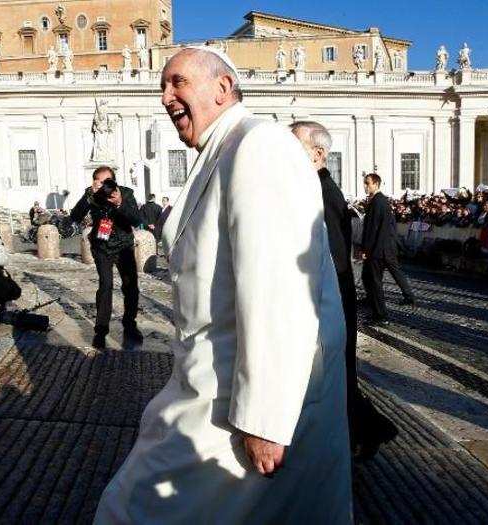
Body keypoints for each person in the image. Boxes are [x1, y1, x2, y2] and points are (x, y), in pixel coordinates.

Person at [94, 47, 351, 523]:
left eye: (177, 82)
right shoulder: (223, 149)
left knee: (131, 511)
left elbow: (279, 287)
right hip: (209, 382)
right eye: (162, 86)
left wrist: (265, 419)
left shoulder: (260, 146)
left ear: (222, 87)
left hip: (237, 401)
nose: (165, 96)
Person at [291, 121, 397, 459]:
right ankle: (369, 430)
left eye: (295, 147)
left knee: (337, 377)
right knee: (337, 377)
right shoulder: (312, 188)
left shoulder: (323, 194)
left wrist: (324, 306)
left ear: (318, 153)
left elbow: (336, 258)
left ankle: (369, 431)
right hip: (329, 298)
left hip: (332, 299)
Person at [69, 166, 143, 349]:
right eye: (100, 182)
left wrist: (119, 203)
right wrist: (89, 196)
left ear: (114, 181)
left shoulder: (125, 193)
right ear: (95, 182)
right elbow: (75, 216)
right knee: (106, 286)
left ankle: (129, 325)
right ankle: (101, 331)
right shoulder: (91, 195)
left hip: (124, 246)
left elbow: (136, 219)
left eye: (108, 182)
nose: (105, 186)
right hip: (102, 247)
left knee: (131, 286)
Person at [361, 173, 416, 326]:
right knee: (373, 276)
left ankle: (381, 315)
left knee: (375, 281)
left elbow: (373, 228)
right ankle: (406, 296)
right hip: (386, 247)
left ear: (376, 184)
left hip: (379, 249)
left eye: (368, 183)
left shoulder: (377, 202)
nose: (365, 186)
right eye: (365, 183)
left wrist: (366, 249)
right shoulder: (380, 201)